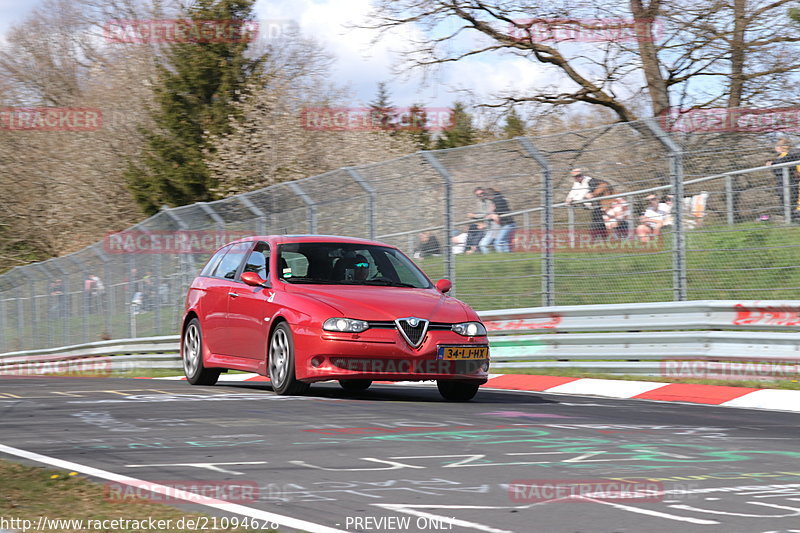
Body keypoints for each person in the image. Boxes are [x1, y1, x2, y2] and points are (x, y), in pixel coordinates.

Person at [565, 168, 613, 240]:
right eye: (576, 176)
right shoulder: (576, 184)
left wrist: (593, 194)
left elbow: (605, 184)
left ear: (582, 174)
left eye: (579, 175)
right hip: (593, 207)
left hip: (599, 206)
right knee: (600, 225)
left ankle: (594, 241)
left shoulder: (590, 181)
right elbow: (573, 192)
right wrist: (569, 198)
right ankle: (605, 240)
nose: (578, 177)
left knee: (596, 226)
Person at [766, 138, 800, 221]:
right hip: (782, 184)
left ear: (780, 147)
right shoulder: (779, 158)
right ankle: (790, 219)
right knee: (786, 203)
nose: (775, 148)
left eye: (777, 146)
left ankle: (791, 219)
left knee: (791, 202)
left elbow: (785, 161)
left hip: (790, 184)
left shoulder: (790, 155)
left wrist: (773, 163)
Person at [467, 186, 500, 253]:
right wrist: (473, 215)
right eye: (478, 195)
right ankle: (470, 248)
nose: (480, 195)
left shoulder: (489, 201)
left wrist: (474, 215)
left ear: (484, 192)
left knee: (493, 243)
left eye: (482, 193)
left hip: (493, 225)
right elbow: (481, 213)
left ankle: (473, 250)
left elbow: (486, 213)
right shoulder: (480, 202)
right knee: (472, 228)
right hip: (487, 224)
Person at [483, 187, 516, 252]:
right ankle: (508, 257)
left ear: (489, 195)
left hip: (508, 224)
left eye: (486, 197)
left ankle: (502, 258)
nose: (487, 199)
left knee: (498, 242)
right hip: (508, 224)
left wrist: (492, 215)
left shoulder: (497, 200)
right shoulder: (499, 197)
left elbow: (498, 215)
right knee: (504, 242)